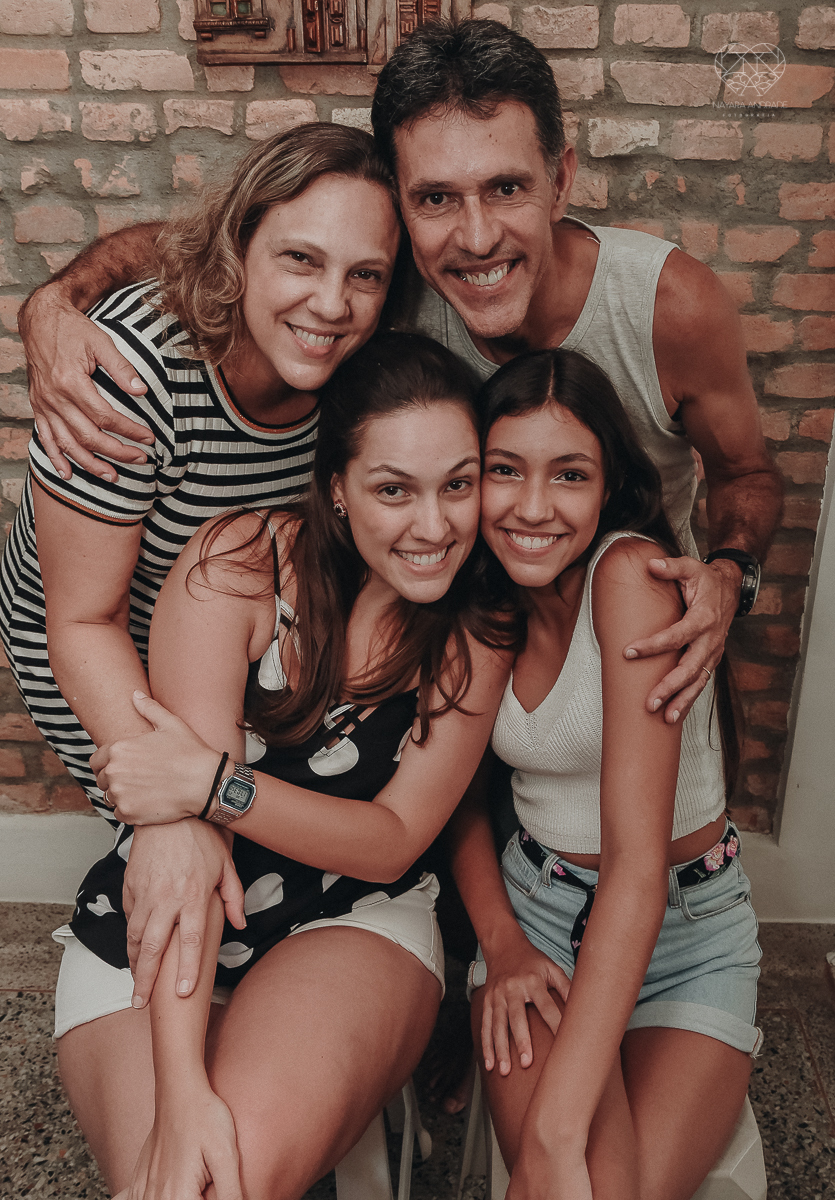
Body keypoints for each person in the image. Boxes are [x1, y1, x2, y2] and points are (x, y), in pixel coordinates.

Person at [17, 20, 781, 728]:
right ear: (405, 212)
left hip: (635, 647)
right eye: (436, 198)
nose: (475, 238)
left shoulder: (667, 308)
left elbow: (745, 473)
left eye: (506, 188)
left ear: (560, 179)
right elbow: (216, 240)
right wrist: (53, 304)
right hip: (433, 649)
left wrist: (729, 574)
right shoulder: (384, 292)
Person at [48, 331, 514, 1200]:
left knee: (230, 1180)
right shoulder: (238, 563)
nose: (434, 526)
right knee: (175, 1179)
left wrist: (216, 785)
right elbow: (186, 840)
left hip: (348, 914)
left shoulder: (477, 627)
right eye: (393, 489)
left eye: (457, 484)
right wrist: (181, 1091)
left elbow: (392, 837)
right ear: (336, 487)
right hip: (164, 906)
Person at [0, 121, 407, 1004]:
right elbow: (82, 619)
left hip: (231, 632)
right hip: (93, 634)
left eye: (364, 275)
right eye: (299, 259)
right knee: (181, 842)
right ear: (240, 250)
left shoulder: (364, 367)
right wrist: (173, 806)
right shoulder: (131, 373)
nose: (331, 304)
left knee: (247, 827)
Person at [449, 348, 761, 1200]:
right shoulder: (480, 600)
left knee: (589, 1181)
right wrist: (502, 945)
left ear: (608, 485)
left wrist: (554, 1133)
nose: (533, 507)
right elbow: (458, 805)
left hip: (685, 933)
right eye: (504, 470)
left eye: (569, 474)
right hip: (536, 923)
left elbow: (635, 869)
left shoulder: (628, 578)